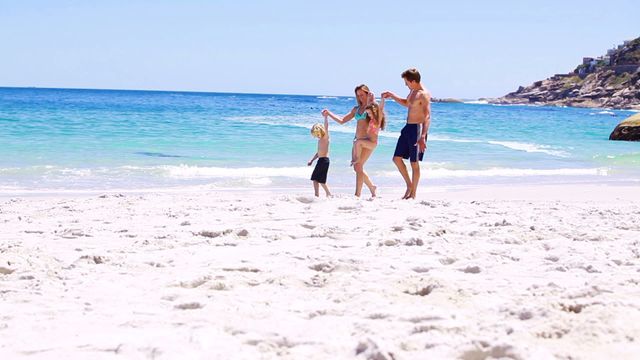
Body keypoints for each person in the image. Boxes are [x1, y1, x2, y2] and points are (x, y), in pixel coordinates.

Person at [382, 68, 431, 199]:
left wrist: (422, 136)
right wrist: (392, 95)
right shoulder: (412, 92)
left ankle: (413, 194)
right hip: (408, 128)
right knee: (396, 158)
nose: (405, 85)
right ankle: (409, 185)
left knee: (414, 163)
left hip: (417, 129)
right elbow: (406, 103)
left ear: (413, 81)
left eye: (406, 82)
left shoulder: (423, 94)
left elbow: (427, 116)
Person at [322, 84, 377, 198]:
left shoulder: (371, 108)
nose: (360, 97)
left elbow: (377, 116)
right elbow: (342, 120)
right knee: (357, 167)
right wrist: (329, 113)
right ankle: (372, 187)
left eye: (362, 94)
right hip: (357, 141)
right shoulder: (356, 109)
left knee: (359, 165)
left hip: (367, 141)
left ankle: (357, 195)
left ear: (368, 93)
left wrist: (372, 100)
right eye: (358, 95)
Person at [352, 99, 386, 166]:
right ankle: (355, 159)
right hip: (367, 141)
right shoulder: (370, 120)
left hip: (372, 143)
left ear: (374, 112)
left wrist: (383, 99)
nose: (369, 115)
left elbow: (380, 108)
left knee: (358, 142)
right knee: (356, 142)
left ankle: (357, 159)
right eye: (368, 113)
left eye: (369, 113)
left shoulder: (377, 121)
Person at [307, 115, 332, 197]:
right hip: (321, 160)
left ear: (321, 131)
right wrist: (312, 160)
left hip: (324, 161)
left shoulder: (325, 138)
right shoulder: (320, 140)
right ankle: (317, 195)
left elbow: (326, 127)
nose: (317, 136)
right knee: (316, 179)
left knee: (319, 180)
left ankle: (327, 193)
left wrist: (325, 117)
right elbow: (318, 153)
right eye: (315, 135)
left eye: (318, 134)